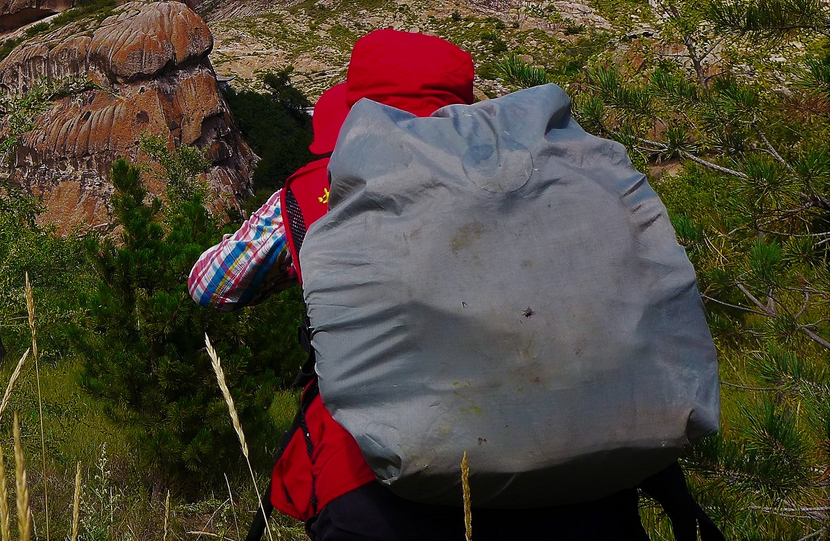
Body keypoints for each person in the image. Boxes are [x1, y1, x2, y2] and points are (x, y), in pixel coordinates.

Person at [189, 29, 654, 540]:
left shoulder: (318, 189)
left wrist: (309, 264)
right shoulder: (541, 178)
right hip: (574, 469)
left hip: (374, 488)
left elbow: (212, 285)